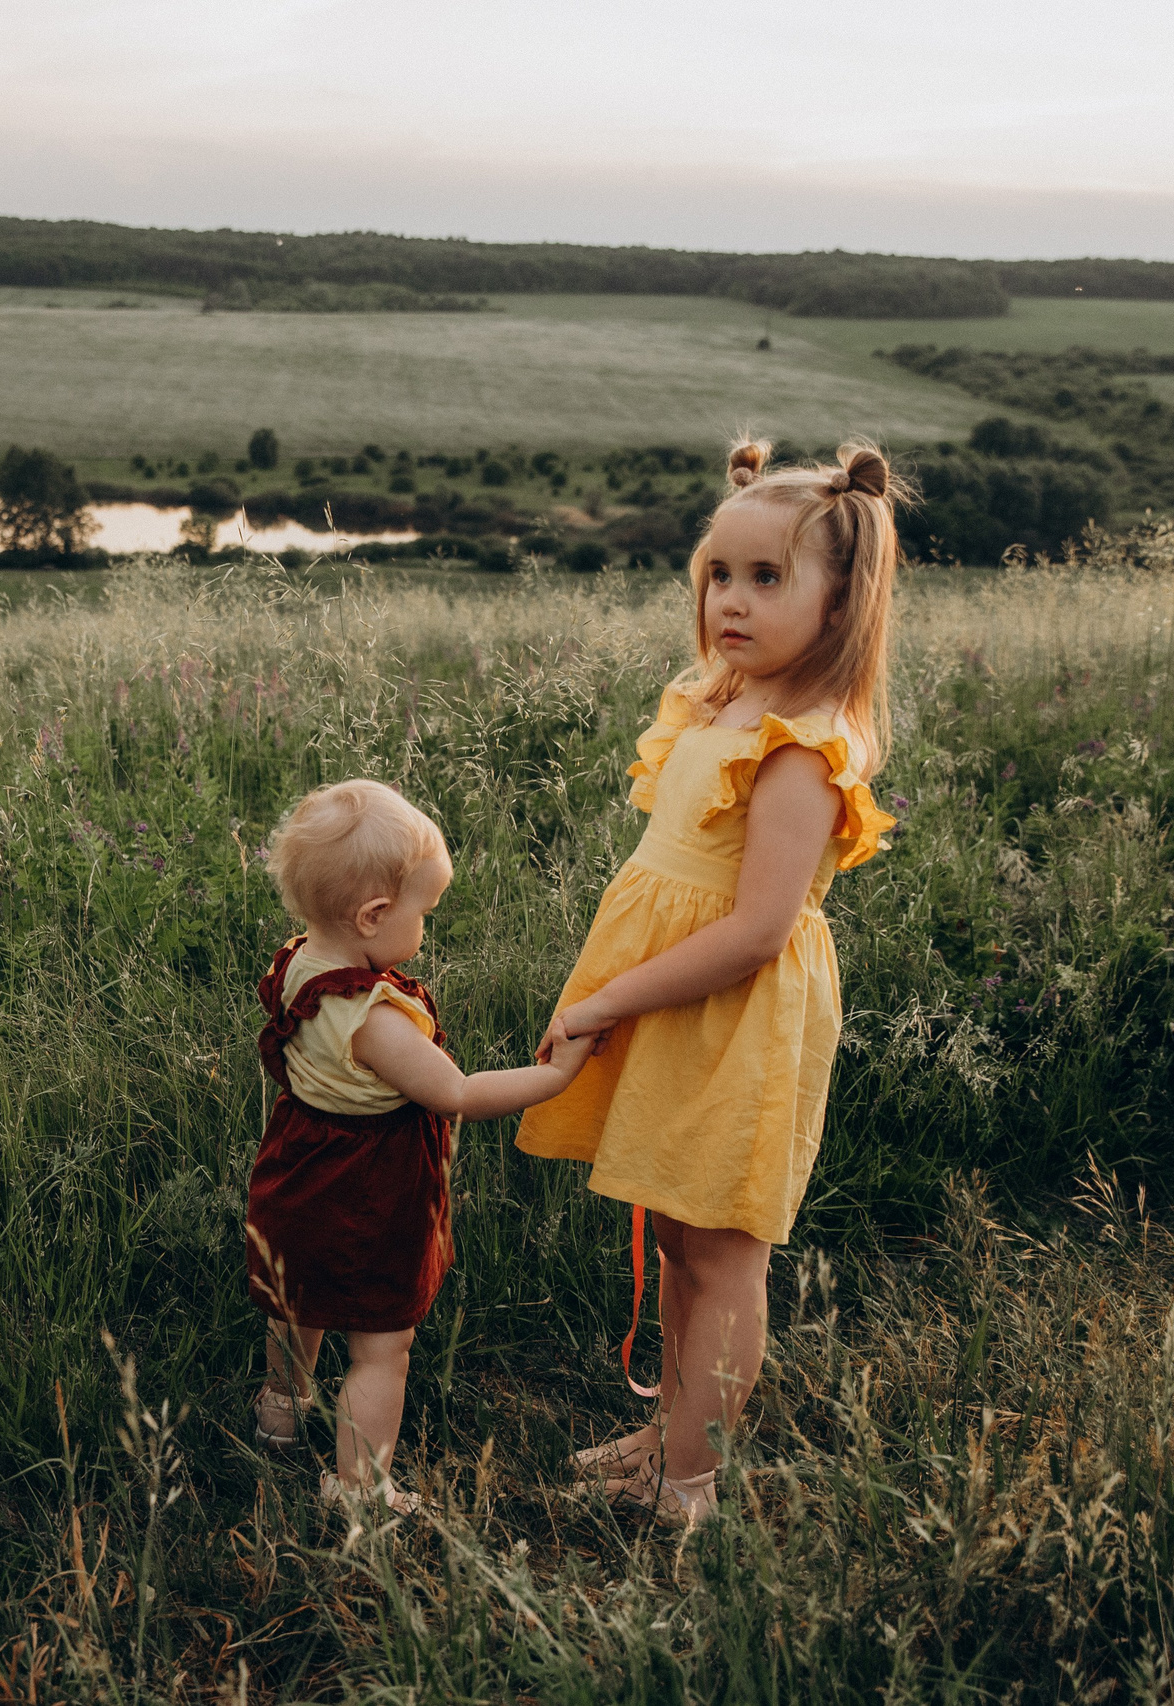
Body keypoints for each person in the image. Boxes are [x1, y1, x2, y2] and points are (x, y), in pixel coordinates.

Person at [519, 438, 907, 1528]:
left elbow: (754, 929)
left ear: (840, 602)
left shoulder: (799, 748)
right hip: (676, 1001)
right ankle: (667, 1432)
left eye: (767, 578)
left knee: (725, 1250)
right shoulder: (723, 705)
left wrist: (606, 999)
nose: (730, 601)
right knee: (681, 1236)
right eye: (717, 576)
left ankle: (689, 1481)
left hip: (731, 1012)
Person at [245, 779, 598, 1513]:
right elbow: (457, 1093)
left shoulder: (297, 964)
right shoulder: (375, 1019)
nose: (425, 930)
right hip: (366, 1188)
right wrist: (556, 1075)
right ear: (374, 915)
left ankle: (280, 1406)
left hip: (297, 1165)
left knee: (296, 1299)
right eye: (423, 913)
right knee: (380, 1348)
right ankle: (359, 1494)